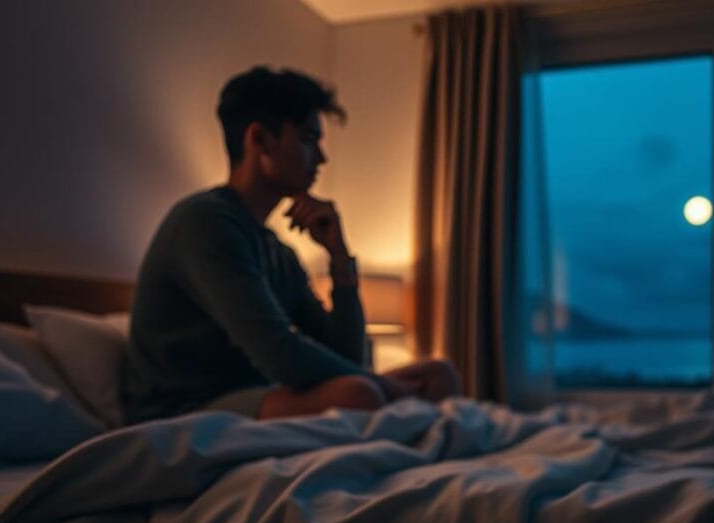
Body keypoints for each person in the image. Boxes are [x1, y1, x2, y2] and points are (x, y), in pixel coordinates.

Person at [121, 66, 460, 423]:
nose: (321, 158)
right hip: (184, 407)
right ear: (260, 140)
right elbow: (281, 355)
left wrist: (340, 259)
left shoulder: (276, 251)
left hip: (257, 395)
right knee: (357, 394)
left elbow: (346, 354)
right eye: (308, 138)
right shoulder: (205, 223)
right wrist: (380, 385)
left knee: (439, 376)